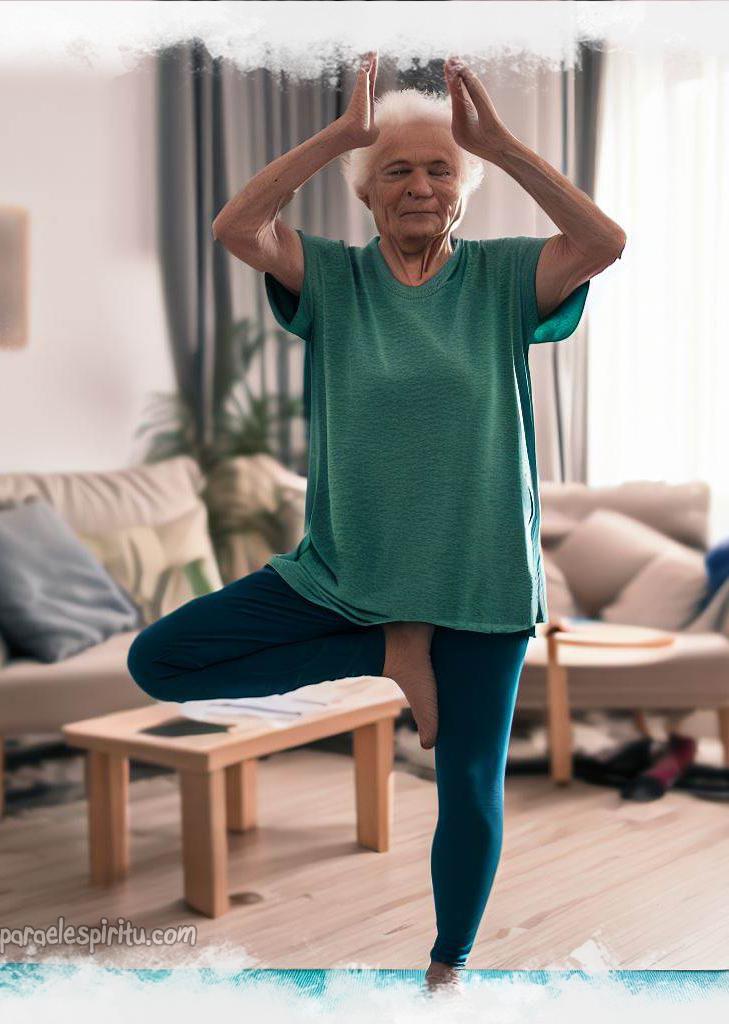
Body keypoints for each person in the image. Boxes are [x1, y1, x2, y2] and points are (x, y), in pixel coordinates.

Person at [128, 51, 625, 993]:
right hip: (344, 581)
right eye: (395, 168)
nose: (421, 185)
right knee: (159, 659)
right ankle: (389, 651)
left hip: (480, 586)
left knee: (470, 791)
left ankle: (446, 974)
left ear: (463, 187)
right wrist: (339, 134)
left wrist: (505, 146)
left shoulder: (505, 281)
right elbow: (236, 225)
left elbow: (602, 240)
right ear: (365, 190)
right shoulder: (333, 282)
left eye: (441, 168)